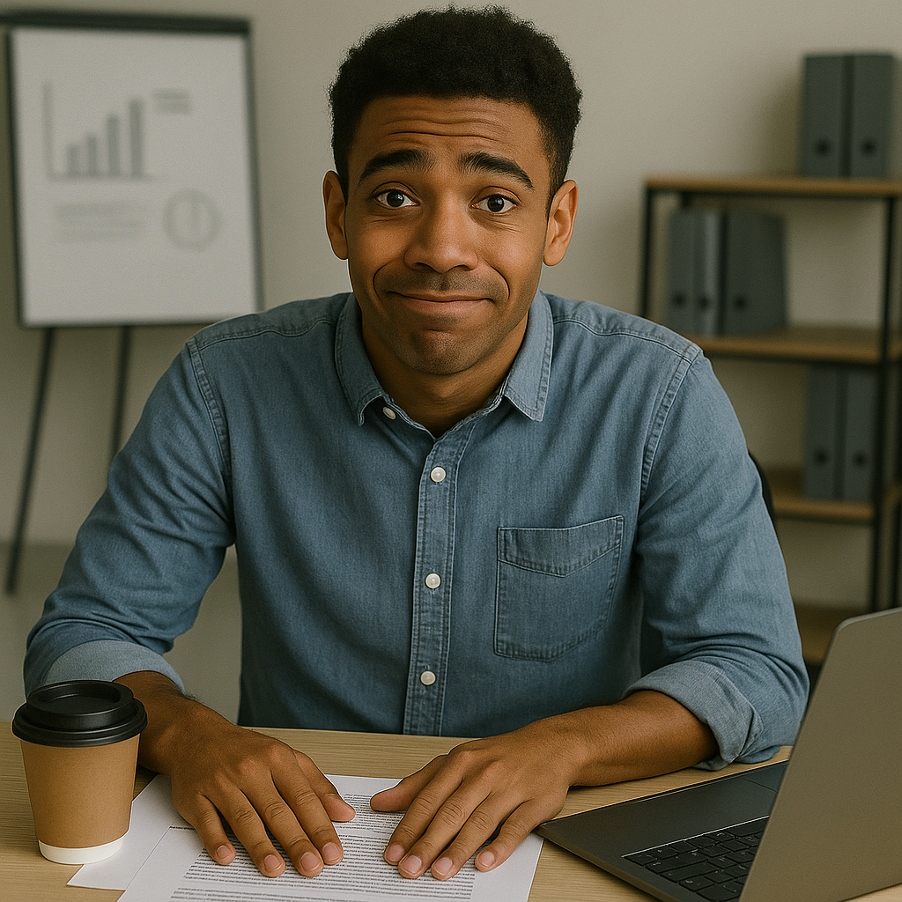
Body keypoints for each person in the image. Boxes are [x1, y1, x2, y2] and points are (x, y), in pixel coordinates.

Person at [25, 5, 808, 886]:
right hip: (295, 855)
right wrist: (190, 734)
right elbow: (87, 634)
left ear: (556, 221)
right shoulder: (225, 383)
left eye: (495, 201)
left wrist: (562, 747)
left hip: (560, 845)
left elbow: (757, 674)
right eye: (396, 197)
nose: (442, 247)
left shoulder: (659, 391)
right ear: (338, 211)